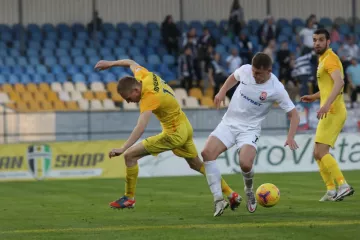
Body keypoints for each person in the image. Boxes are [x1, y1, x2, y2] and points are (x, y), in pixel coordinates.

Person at [94, 59, 241, 210]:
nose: (130, 102)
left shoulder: (149, 96)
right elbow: (131, 62)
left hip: (174, 134)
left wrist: (123, 147)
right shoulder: (145, 76)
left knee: (129, 156)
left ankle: (129, 198)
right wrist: (110, 64)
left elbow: (141, 127)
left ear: (135, 91)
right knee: (197, 165)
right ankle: (231, 194)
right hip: (185, 126)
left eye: (129, 99)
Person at [201, 53, 300, 217]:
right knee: (206, 153)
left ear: (269, 71)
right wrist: (221, 91)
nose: (254, 75)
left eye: (258, 73)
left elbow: (294, 114)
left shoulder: (276, 88)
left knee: (245, 164)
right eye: (254, 72)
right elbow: (233, 77)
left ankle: (249, 190)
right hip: (229, 123)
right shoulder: (246, 70)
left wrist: (290, 136)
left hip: (249, 129)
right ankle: (218, 199)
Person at [300, 29, 354, 201]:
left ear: (328, 41)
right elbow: (329, 87)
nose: (317, 43)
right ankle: (331, 190)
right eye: (315, 40)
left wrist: (326, 104)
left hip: (333, 111)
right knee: (317, 153)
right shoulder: (323, 59)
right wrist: (315, 96)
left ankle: (343, 185)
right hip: (329, 110)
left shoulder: (330, 59)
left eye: (321, 40)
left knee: (322, 151)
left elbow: (339, 83)